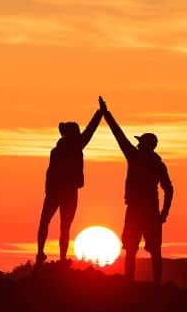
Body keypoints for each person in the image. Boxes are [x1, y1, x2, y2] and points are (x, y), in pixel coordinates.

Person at [101, 97, 174, 285]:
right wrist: (163, 214)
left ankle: (129, 283)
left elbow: (119, 135)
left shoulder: (134, 156)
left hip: (136, 211)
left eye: (141, 142)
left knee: (132, 249)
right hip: (151, 211)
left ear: (144, 145)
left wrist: (106, 114)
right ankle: (154, 284)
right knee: (153, 251)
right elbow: (169, 189)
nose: (138, 144)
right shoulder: (159, 164)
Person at [36, 100, 103, 265]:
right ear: (73, 133)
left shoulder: (57, 150)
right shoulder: (75, 146)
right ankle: (61, 257)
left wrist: (49, 191)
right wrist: (100, 113)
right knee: (64, 227)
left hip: (54, 192)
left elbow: (49, 174)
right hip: (68, 192)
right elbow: (90, 130)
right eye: (77, 131)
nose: (80, 133)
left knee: (46, 222)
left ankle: (41, 253)